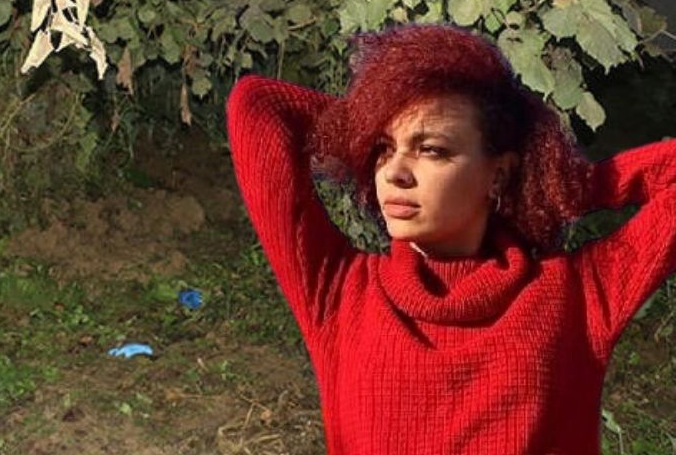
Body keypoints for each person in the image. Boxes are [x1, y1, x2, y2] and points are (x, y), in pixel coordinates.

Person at [226, 24, 676, 454]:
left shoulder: (577, 296)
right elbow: (257, 104)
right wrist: (367, 124)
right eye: (383, 149)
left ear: (499, 173)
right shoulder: (338, 293)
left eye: (431, 150)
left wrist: (558, 184)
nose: (395, 173)